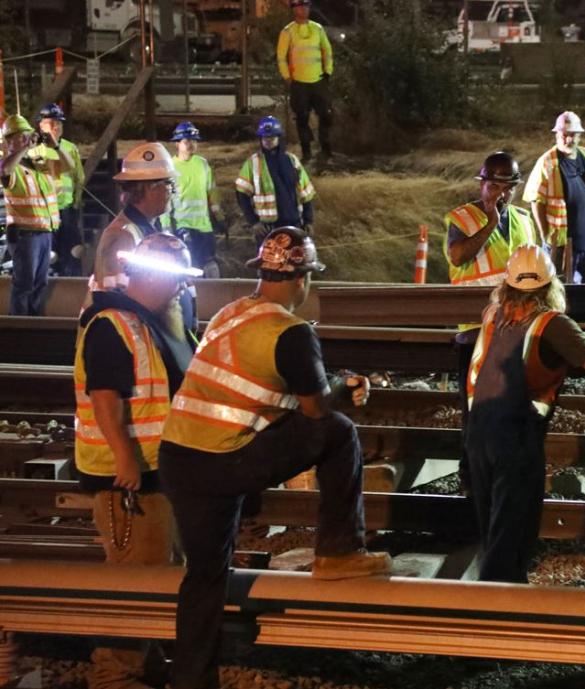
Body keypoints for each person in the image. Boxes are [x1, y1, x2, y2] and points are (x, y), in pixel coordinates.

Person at [159, 227, 391, 688]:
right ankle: (340, 551)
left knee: (204, 577)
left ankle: (191, 680)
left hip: (181, 457)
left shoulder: (230, 313)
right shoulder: (291, 331)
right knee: (339, 432)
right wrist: (347, 388)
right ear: (301, 279)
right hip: (226, 459)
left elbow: (251, 390)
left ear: (262, 273)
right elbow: (316, 411)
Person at [466, 246, 585, 582]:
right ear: (551, 285)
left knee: (493, 528)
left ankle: (499, 601)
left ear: (507, 284)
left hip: (477, 433)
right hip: (516, 439)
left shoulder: (492, 313)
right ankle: (498, 613)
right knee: (511, 535)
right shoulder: (551, 324)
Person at [74, 233, 200, 689]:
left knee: (160, 571)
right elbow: (106, 396)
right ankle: (115, 674)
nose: (185, 288)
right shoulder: (112, 324)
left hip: (161, 471)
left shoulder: (162, 321)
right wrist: (125, 459)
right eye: (179, 279)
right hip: (130, 479)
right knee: (135, 578)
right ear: (151, 274)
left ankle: (141, 662)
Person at [443, 151, 537, 491]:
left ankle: (504, 476)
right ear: (483, 184)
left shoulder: (525, 219)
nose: (502, 193)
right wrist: (491, 224)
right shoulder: (463, 219)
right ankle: (472, 481)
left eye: (509, 186)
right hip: (473, 331)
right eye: (495, 185)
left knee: (514, 406)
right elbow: (458, 255)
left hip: (516, 328)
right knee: (475, 412)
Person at [87, 142, 198, 335]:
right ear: (149, 188)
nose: (173, 192)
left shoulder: (149, 228)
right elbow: (117, 302)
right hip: (130, 344)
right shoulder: (122, 236)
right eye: (169, 184)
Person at [522, 111, 585, 284]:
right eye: (564, 135)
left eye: (573, 135)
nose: (569, 140)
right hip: (563, 246)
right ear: (557, 135)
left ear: (579, 136)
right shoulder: (547, 162)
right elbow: (536, 200)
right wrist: (545, 235)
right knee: (562, 294)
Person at [1, 113, 68, 316]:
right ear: (8, 140)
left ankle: (35, 322)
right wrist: (24, 148)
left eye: (27, 135)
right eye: (19, 136)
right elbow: (4, 170)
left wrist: (54, 145)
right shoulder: (11, 166)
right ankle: (20, 329)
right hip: (25, 235)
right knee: (24, 284)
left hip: (45, 233)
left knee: (40, 284)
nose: (25, 140)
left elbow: (69, 167)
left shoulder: (39, 166)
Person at [235, 116, 316, 247]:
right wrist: (253, 222)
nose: (268, 140)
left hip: (295, 224)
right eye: (264, 137)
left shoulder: (292, 160)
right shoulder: (252, 163)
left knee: (294, 265)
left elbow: (306, 193)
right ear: (260, 139)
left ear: (279, 138)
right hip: (267, 229)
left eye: (271, 137)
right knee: (269, 265)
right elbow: (241, 195)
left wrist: (309, 221)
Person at [161, 121, 226, 278]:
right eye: (186, 141)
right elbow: (164, 198)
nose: (191, 144)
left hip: (204, 227)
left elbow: (212, 190)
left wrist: (219, 216)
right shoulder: (169, 167)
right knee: (188, 267)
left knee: (210, 266)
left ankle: (212, 298)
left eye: (194, 141)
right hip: (182, 226)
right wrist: (166, 226)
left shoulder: (202, 164)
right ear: (177, 143)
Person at [29, 103, 85, 276]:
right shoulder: (35, 149)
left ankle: (72, 284)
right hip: (45, 211)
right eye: (50, 123)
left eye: (58, 123)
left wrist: (76, 202)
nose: (55, 127)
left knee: (74, 251)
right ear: (41, 125)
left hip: (67, 208)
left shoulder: (69, 148)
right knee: (50, 254)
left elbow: (78, 176)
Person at [276, 0, 334, 161]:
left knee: (326, 115)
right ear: (294, 9)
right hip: (299, 83)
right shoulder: (288, 32)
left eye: (307, 6)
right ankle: (307, 151)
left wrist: (328, 71)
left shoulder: (317, 29)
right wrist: (286, 76)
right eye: (301, 6)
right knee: (302, 117)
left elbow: (327, 50)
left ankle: (326, 149)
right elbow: (281, 57)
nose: (304, 9)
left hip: (318, 81)